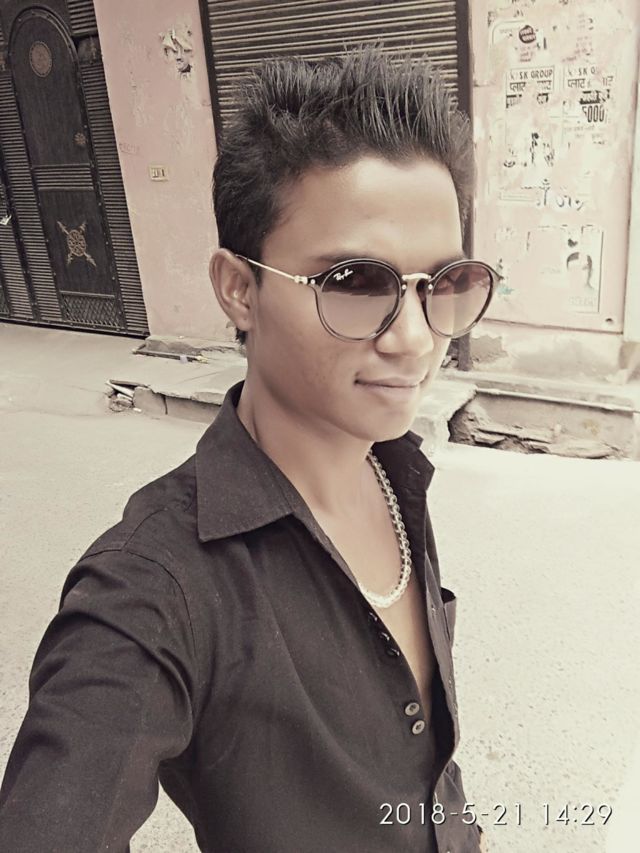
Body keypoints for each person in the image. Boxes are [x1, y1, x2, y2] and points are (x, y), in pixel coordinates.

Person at [0, 45, 498, 851]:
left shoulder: (392, 466)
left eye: (443, 284)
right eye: (355, 282)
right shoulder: (154, 587)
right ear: (238, 288)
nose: (414, 339)